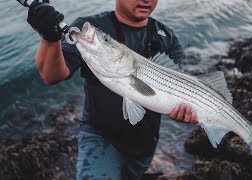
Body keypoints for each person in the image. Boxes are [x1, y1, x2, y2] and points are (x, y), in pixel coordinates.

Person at [27, 0, 197, 179]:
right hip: (99, 138)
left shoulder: (168, 39)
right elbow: (51, 76)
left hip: (146, 144)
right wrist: (49, 38)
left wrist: (186, 113)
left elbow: (177, 94)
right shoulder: (92, 28)